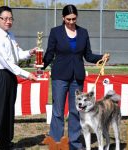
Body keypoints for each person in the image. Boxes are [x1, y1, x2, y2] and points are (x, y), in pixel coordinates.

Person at [42, 4, 110, 150]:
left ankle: (74, 143)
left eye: (74, 19)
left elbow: (88, 55)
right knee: (58, 111)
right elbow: (49, 53)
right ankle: (56, 143)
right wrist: (42, 64)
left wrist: (101, 57)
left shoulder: (83, 33)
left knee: (76, 110)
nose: (71, 22)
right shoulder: (55, 32)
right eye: (68, 19)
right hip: (60, 76)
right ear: (63, 17)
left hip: (77, 77)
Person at [0, 6, 37, 149]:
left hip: (10, 76)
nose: (8, 21)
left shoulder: (10, 35)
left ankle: (6, 144)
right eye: (5, 18)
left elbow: (16, 55)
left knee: (8, 111)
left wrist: (30, 52)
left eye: (11, 18)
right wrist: (27, 74)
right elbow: (6, 62)